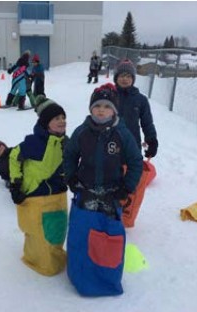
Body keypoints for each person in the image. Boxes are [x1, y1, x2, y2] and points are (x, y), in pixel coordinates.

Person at [63, 83, 143, 296]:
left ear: (114, 111)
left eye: (107, 106)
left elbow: (136, 161)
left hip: (111, 194)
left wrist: (127, 187)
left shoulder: (122, 134)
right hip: (85, 191)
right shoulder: (81, 132)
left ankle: (104, 277)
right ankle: (79, 272)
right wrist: (70, 176)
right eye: (97, 105)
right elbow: (70, 154)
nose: (101, 110)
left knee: (107, 239)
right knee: (81, 235)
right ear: (91, 109)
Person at [8, 96, 68, 276]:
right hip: (34, 195)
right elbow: (13, 157)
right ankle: (37, 260)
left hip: (57, 195)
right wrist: (15, 184)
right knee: (37, 231)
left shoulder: (67, 142)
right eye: (56, 118)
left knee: (57, 231)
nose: (62, 121)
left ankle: (53, 260)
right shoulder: (33, 143)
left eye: (63, 118)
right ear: (46, 123)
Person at [113, 59, 158, 228]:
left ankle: (126, 210)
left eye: (128, 76)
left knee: (131, 176)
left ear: (133, 78)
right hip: (111, 145)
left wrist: (151, 140)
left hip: (132, 146)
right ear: (116, 77)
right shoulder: (110, 95)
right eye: (121, 76)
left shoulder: (140, 100)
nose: (124, 79)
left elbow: (147, 122)